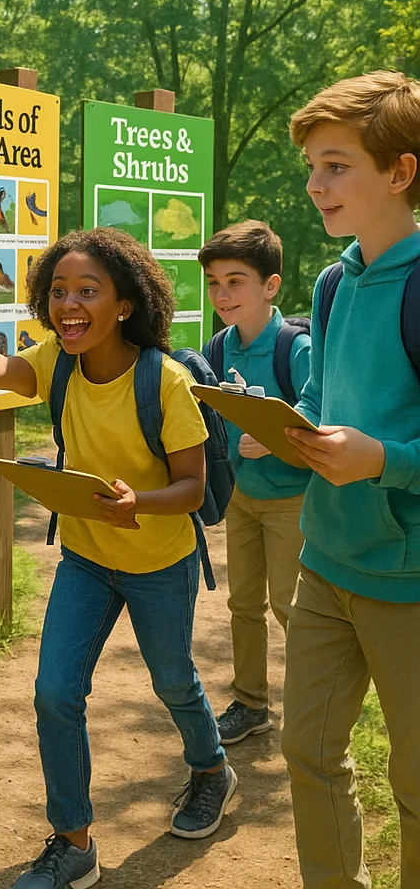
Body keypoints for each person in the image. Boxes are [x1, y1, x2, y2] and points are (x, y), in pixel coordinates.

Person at [0, 226, 235, 889]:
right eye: (59, 291)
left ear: (125, 305)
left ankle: (212, 767)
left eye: (88, 291)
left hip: (160, 560)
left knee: (171, 680)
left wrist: (141, 503)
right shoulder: (59, 361)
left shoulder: (168, 382)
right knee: (53, 693)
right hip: (86, 559)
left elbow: (191, 486)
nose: (68, 302)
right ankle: (73, 840)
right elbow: (9, 373)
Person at [280, 70, 420, 889]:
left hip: (408, 582)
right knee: (308, 752)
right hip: (324, 564)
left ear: (399, 172)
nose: (314, 184)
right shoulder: (331, 283)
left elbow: (387, 444)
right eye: (312, 166)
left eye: (336, 165)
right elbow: (319, 396)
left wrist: (384, 460)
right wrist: (285, 427)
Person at [199, 220, 312, 744]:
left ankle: (314, 710)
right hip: (242, 498)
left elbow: (324, 421)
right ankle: (251, 703)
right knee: (243, 604)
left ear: (270, 286)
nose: (223, 295)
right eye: (215, 283)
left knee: (294, 608)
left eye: (236, 281)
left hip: (294, 500)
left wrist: (275, 437)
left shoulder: (295, 349)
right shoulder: (217, 349)